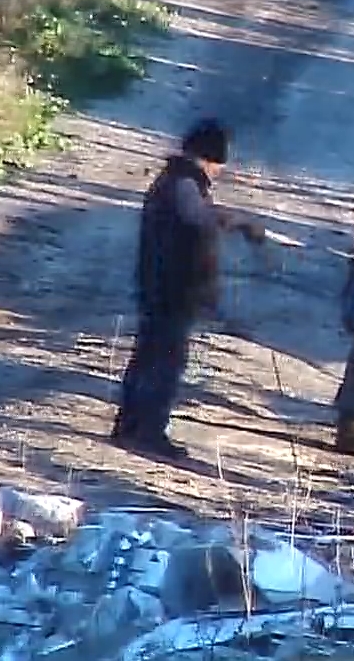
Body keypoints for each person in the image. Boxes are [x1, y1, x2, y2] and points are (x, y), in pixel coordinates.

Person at [111, 118, 264, 458]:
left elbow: (199, 216)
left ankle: (130, 427)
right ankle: (147, 433)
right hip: (172, 289)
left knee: (148, 358)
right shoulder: (183, 185)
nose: (219, 172)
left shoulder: (176, 182)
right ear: (210, 158)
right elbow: (197, 223)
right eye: (219, 164)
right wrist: (233, 223)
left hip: (160, 285)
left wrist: (233, 220)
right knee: (164, 363)